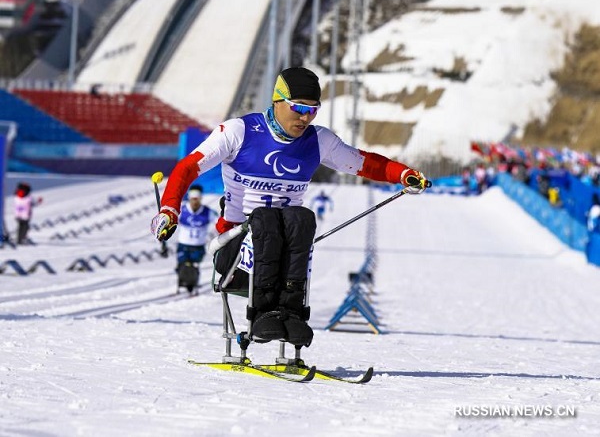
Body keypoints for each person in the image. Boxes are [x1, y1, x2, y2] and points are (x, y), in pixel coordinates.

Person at [151, 66, 430, 348]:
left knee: (301, 219)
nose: (304, 118)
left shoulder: (318, 140)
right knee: (267, 220)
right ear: (278, 100)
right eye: (298, 108)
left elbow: (365, 162)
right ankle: (262, 315)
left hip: (285, 247)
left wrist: (403, 174)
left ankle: (291, 314)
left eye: (313, 110)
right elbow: (187, 168)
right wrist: (169, 210)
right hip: (234, 249)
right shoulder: (239, 132)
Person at [175, 186, 218, 293]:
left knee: (194, 266)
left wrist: (216, 234)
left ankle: (192, 284)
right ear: (189, 198)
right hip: (183, 244)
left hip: (198, 245)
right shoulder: (182, 210)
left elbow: (218, 222)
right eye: (193, 199)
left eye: (197, 199)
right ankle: (182, 283)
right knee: (182, 265)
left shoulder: (207, 211)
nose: (195, 202)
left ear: (200, 199)